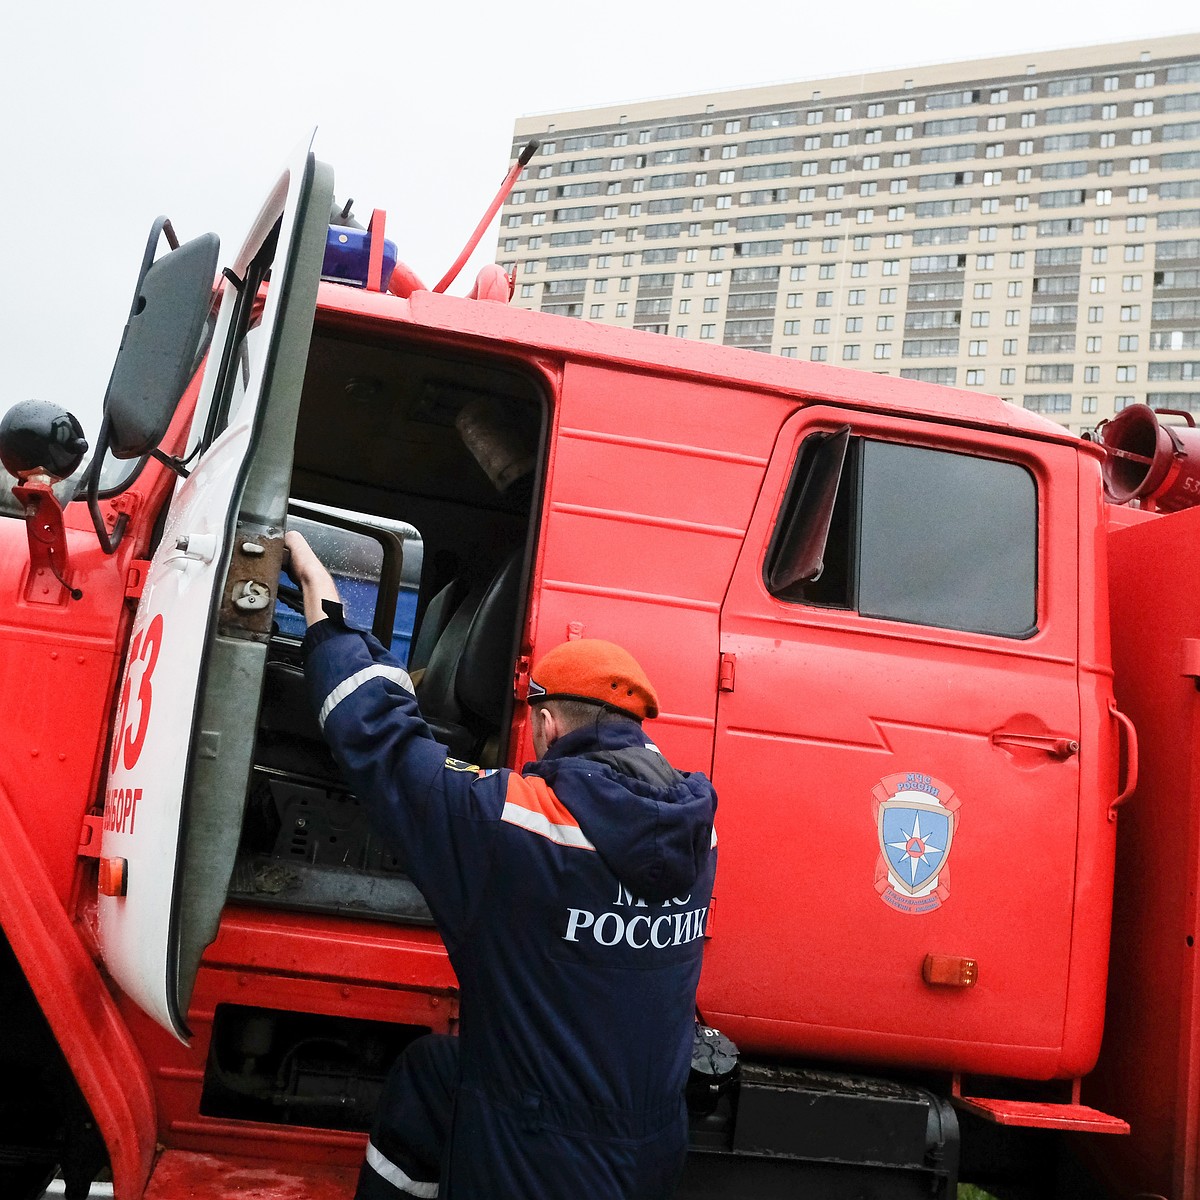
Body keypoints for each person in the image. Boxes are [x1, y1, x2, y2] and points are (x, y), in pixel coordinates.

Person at [284, 531, 718, 1200]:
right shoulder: (700, 834)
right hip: (652, 1148)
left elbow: (389, 746)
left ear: (545, 724)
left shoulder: (518, 827)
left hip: (538, 1160)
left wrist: (329, 619)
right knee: (433, 1075)